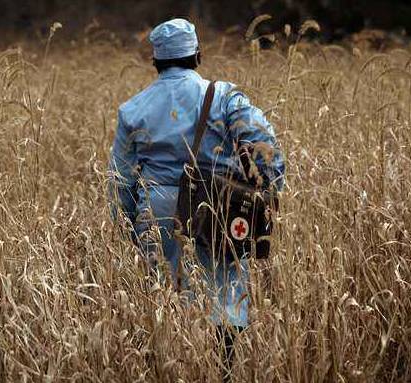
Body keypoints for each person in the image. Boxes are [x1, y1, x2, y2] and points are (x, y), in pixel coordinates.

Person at [108, 18, 285, 378]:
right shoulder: (225, 96)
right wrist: (264, 196)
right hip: (217, 206)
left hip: (158, 213)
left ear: (155, 61)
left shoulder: (133, 109)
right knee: (226, 296)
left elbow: (120, 182)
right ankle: (224, 373)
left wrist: (133, 229)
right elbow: (270, 154)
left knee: (166, 300)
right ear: (198, 55)